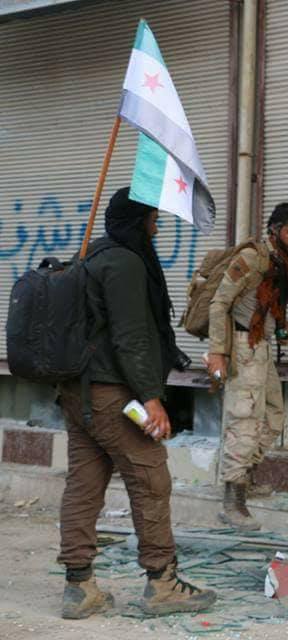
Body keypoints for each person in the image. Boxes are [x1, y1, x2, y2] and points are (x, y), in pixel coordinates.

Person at [57, 187, 216, 619]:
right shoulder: (125, 262)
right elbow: (130, 338)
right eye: (152, 220)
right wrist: (151, 399)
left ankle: (79, 585)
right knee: (151, 479)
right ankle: (162, 583)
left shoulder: (88, 255)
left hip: (78, 393)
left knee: (84, 485)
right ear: (136, 222)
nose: (157, 228)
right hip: (113, 394)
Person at [206, 202, 288, 531]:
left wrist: (282, 327)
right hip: (240, 347)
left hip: (260, 347)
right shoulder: (253, 257)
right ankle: (232, 501)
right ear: (275, 229)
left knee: (274, 414)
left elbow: (271, 309)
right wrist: (218, 353)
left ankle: (245, 475)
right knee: (244, 421)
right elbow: (219, 303)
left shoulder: (281, 264)